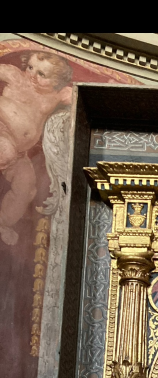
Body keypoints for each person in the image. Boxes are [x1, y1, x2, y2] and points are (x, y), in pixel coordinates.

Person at [0, 52, 73, 245]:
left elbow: (77, 98)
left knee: (27, 187)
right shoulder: (16, 77)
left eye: (42, 74)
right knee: (5, 151)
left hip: (20, 154)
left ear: (56, 82)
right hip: (2, 132)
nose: (32, 75)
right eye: (31, 67)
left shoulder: (55, 96)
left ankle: (3, 222)